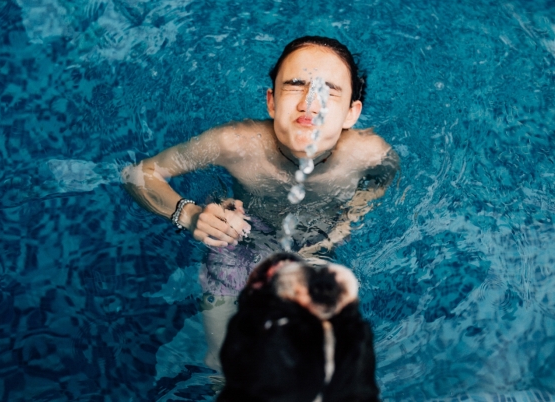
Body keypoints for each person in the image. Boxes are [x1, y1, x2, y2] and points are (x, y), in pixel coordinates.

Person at [122, 35, 398, 370]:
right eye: (295, 85)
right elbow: (139, 174)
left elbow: (384, 179)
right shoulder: (235, 144)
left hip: (316, 242)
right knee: (224, 277)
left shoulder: (367, 153)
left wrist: (351, 217)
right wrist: (190, 214)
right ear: (271, 101)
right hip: (245, 233)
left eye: (328, 90)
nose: (310, 104)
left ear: (351, 113)